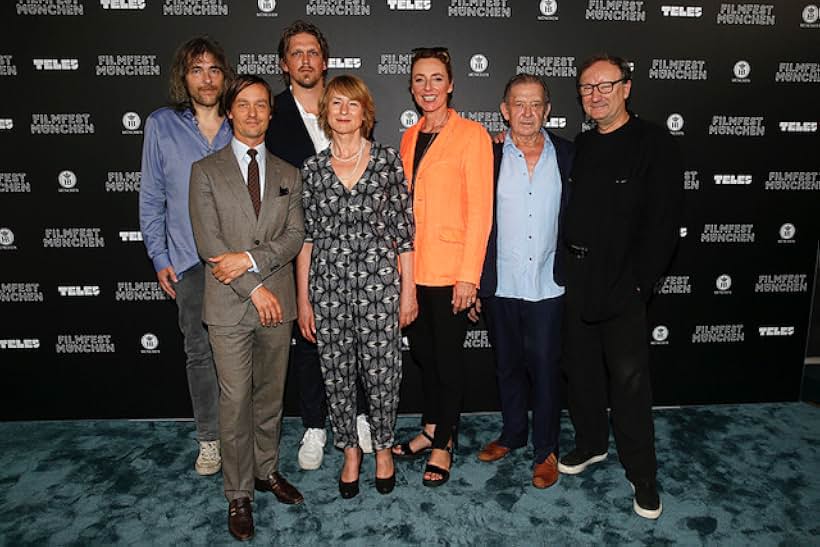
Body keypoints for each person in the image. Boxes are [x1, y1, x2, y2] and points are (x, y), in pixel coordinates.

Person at [558, 54, 683, 519]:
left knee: (629, 385)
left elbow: (665, 222)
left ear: (626, 88)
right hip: (578, 279)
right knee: (582, 373)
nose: (596, 94)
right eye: (587, 88)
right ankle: (591, 444)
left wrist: (639, 285)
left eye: (605, 85)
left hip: (624, 286)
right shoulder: (584, 144)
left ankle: (643, 475)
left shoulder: (654, 142)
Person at [189, 75, 305, 541]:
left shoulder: (288, 174)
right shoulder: (206, 171)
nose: (253, 113)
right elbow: (210, 245)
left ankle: (266, 470)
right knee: (235, 401)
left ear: (270, 114)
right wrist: (255, 287)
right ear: (230, 111)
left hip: (280, 306)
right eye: (244, 104)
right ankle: (238, 493)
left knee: (269, 398)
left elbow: (294, 236)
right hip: (232, 306)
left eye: (262, 105)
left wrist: (254, 260)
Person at [299, 75, 416, 499]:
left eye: (352, 104)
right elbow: (307, 239)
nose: (344, 111)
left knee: (383, 374)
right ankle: (351, 450)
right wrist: (303, 300)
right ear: (325, 114)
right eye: (335, 104)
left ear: (366, 112)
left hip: (379, 289)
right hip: (327, 291)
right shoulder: (312, 170)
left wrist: (408, 291)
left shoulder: (386, 161)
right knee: (336, 375)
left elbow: (404, 233)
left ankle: (382, 448)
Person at [264, 19, 372, 470]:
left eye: (312, 52)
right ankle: (315, 424)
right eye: (296, 53)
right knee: (309, 338)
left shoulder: (347, 108)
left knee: (361, 336)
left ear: (324, 61)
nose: (305, 60)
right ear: (284, 64)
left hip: (355, 251)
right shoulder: (270, 113)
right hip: (298, 245)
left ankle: (363, 415)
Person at [392, 47, 493, 487]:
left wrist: (470, 275)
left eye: (436, 79)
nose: (428, 87)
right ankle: (431, 427)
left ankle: (444, 443)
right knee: (425, 358)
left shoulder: (472, 135)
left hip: (453, 271)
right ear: (411, 86)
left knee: (449, 363)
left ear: (451, 84)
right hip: (415, 269)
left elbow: (482, 210)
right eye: (419, 79)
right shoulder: (409, 136)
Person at [469, 74, 573, 489]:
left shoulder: (569, 155)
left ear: (547, 110)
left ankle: (546, 450)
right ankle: (513, 433)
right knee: (507, 366)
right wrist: (474, 279)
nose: (527, 113)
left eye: (536, 105)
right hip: (502, 280)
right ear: (504, 110)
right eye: (519, 104)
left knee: (546, 369)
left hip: (549, 283)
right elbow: (473, 219)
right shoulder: (486, 156)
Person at [139, 36, 233, 476]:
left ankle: (239, 437)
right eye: (197, 70)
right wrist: (160, 256)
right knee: (199, 355)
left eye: (213, 69)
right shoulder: (161, 125)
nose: (206, 78)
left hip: (238, 263)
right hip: (189, 262)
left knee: (241, 355)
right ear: (184, 77)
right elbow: (151, 196)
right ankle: (209, 440)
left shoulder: (243, 121)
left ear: (224, 76)